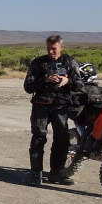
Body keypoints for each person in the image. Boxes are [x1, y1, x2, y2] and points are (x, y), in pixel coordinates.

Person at [23, 34, 82, 186]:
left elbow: (79, 85)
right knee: (39, 137)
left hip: (61, 106)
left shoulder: (70, 62)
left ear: (61, 47)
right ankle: (36, 173)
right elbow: (28, 87)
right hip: (41, 105)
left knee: (62, 140)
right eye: (48, 48)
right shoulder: (38, 63)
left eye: (54, 49)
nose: (50, 52)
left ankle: (57, 173)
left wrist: (67, 80)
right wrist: (44, 80)